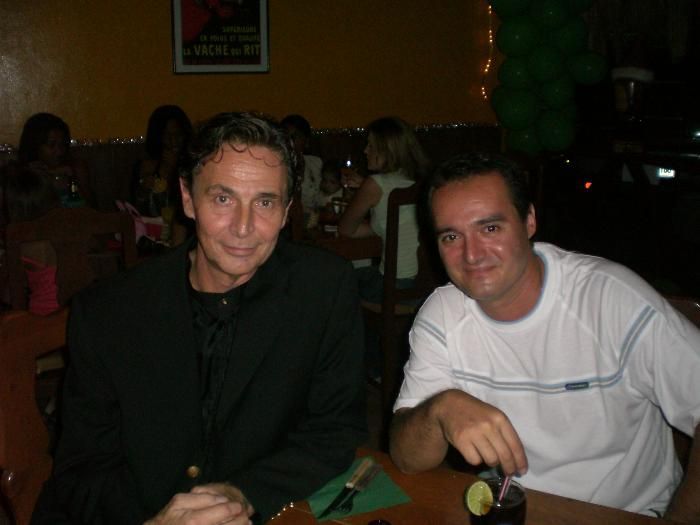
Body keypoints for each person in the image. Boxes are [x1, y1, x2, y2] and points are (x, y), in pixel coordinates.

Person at [32, 112, 367, 525]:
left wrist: (243, 494)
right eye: (223, 199)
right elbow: (81, 472)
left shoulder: (323, 289)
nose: (243, 227)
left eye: (265, 202)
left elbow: (335, 429)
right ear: (188, 198)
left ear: (286, 211)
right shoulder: (108, 311)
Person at [389, 152, 700, 522]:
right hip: (512, 510)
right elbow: (406, 459)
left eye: (490, 228)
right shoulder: (442, 313)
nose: (471, 255)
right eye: (452, 236)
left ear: (530, 221)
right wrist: (441, 408)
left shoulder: (611, 299)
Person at [338, 116, 430, 303]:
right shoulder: (424, 182)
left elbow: (346, 230)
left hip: (394, 286)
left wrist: (363, 190)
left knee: (337, 280)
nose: (365, 151)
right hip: (427, 286)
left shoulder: (375, 184)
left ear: (388, 150)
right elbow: (397, 224)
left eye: (371, 146)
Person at [132, 105, 194, 245]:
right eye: (167, 135)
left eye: (178, 134)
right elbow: (135, 207)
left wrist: (174, 168)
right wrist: (143, 187)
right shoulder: (147, 167)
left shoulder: (193, 165)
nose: (173, 141)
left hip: (184, 240)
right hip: (151, 239)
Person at [3, 167, 60, 315]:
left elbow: (9, 295)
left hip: (38, 317)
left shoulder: (21, 245)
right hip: (74, 315)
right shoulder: (70, 235)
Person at [17, 112, 93, 207]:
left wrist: (71, 179)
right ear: (35, 146)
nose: (59, 151)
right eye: (51, 145)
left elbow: (91, 209)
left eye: (62, 144)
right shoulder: (23, 174)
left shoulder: (76, 168)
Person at [280, 114, 323, 226]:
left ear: (306, 141)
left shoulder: (316, 163)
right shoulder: (276, 167)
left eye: (295, 137)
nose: (290, 141)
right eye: (286, 137)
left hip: (316, 220)